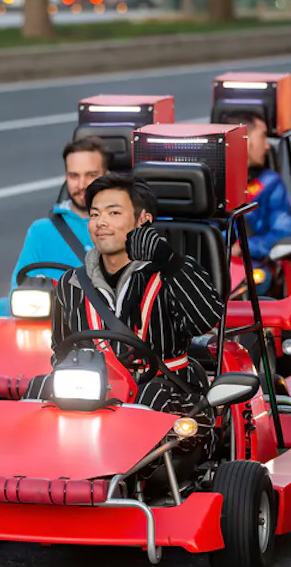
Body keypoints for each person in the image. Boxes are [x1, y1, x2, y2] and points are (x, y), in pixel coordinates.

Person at [50, 172, 224, 415]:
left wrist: (169, 262)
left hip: (169, 397)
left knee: (146, 401)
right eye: (94, 214)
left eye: (114, 213)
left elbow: (205, 320)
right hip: (91, 396)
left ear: (143, 219)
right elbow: (61, 348)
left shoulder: (173, 271)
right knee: (41, 389)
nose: (101, 222)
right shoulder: (71, 283)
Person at [0, 137, 109, 316]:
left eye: (91, 175)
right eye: (74, 176)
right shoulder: (41, 231)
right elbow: (18, 289)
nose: (82, 185)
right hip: (51, 325)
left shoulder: (123, 227)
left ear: (107, 175)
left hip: (107, 328)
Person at [224, 110, 291, 260]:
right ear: (244, 141)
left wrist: (242, 247)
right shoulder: (207, 184)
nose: (267, 146)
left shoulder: (270, 183)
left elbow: (283, 234)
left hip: (254, 267)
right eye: (263, 137)